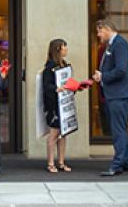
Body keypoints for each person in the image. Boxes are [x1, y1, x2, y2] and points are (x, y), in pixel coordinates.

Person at [91, 20, 128, 177]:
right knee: (120, 128)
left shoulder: (119, 44)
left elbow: (121, 70)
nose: (98, 35)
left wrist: (103, 76)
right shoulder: (113, 44)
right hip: (118, 93)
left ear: (106, 29)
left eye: (99, 31)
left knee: (118, 130)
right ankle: (127, 161)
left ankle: (117, 164)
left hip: (119, 94)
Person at [41, 38, 75, 174]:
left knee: (63, 133)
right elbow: (47, 86)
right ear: (57, 49)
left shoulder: (65, 64)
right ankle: (50, 163)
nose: (66, 49)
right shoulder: (50, 67)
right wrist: (57, 89)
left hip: (64, 102)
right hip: (54, 104)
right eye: (64, 47)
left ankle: (61, 161)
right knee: (53, 133)